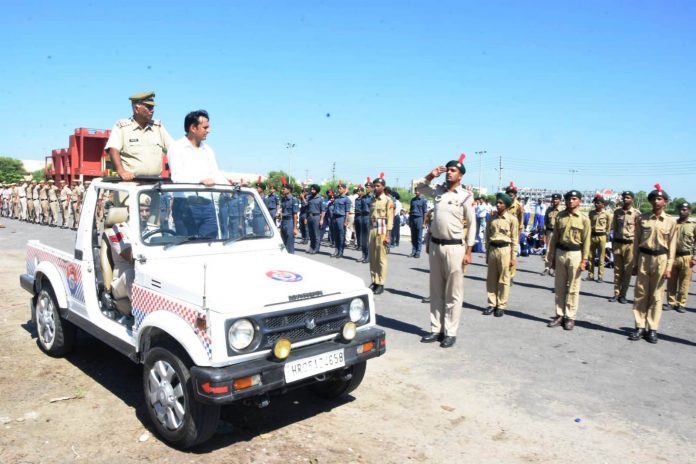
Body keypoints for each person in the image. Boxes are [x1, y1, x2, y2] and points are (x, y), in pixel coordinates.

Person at [417, 155, 476, 348]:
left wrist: (468, 251)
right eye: (447, 170)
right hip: (435, 245)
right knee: (436, 290)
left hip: (455, 247)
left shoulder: (465, 196)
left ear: (460, 176)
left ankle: (450, 332)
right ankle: (436, 329)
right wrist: (431, 175)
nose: (449, 173)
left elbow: (472, 225)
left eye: (453, 171)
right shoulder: (438, 191)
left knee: (453, 292)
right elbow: (419, 188)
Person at [628, 184, 678, 344]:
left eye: (659, 199)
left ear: (665, 202)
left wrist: (669, 267)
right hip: (644, 257)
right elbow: (636, 243)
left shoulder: (670, 221)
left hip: (661, 259)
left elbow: (672, 247)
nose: (656, 201)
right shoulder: (642, 218)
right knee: (640, 293)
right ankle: (639, 326)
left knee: (657, 296)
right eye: (654, 199)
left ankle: (653, 328)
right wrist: (635, 263)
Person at [168, 110, 226, 237]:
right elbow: (177, 177)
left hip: (207, 205)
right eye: (205, 127)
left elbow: (215, 174)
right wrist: (201, 180)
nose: (208, 130)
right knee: (188, 247)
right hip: (185, 205)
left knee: (211, 244)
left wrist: (232, 187)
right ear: (193, 128)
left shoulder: (208, 150)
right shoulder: (176, 148)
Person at [546, 190, 591, 331]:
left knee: (573, 287)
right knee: (559, 286)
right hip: (560, 252)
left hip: (575, 254)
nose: (570, 201)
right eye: (568, 199)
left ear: (579, 201)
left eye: (574, 199)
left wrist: (584, 260)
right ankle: (559, 315)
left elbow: (587, 241)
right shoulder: (560, 216)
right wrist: (551, 257)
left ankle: (570, 317)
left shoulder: (584, 219)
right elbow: (554, 239)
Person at [106, 91, 173, 181]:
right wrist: (121, 172)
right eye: (149, 107)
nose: (152, 110)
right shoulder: (122, 127)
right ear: (136, 109)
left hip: (154, 185)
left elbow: (174, 150)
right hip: (130, 185)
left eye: (153, 107)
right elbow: (113, 150)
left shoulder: (158, 127)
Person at [484, 192, 518, 317]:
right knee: (491, 279)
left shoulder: (512, 219)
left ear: (506, 205)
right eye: (497, 202)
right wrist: (487, 253)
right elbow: (487, 237)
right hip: (493, 249)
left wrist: (513, 257)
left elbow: (515, 240)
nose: (497, 205)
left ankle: (501, 305)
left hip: (505, 250)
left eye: (501, 203)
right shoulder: (491, 218)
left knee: (504, 279)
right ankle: (492, 304)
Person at [608, 191, 640, 303]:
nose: (625, 199)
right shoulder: (617, 212)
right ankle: (616, 293)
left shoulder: (636, 213)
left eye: (628, 197)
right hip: (618, 243)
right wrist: (613, 244)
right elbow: (614, 228)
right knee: (617, 270)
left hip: (630, 245)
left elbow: (638, 231)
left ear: (632, 199)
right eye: (624, 197)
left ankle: (623, 294)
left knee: (627, 271)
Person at [666, 202, 695, 313]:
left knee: (685, 282)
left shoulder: (693, 225)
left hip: (687, 256)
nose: (682, 211)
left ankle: (681, 303)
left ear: (689, 211)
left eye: (685, 209)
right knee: (671, 281)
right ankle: (671, 302)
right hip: (673, 256)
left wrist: (694, 258)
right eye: (681, 209)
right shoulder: (674, 224)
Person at [368, 174, 394, 294]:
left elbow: (390, 218)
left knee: (381, 257)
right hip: (373, 228)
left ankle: (381, 283)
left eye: (378, 186)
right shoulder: (373, 199)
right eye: (374, 186)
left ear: (383, 187)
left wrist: (388, 235)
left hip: (382, 228)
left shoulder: (388, 200)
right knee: (373, 257)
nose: (375, 188)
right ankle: (374, 280)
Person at [586, 195, 612, 282]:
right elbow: (588, 224)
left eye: (598, 203)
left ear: (603, 204)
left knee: (601, 257)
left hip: (602, 236)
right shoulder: (591, 213)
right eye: (595, 203)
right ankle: (590, 275)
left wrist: (607, 234)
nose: (596, 204)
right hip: (592, 236)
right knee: (590, 256)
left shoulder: (607, 214)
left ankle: (600, 276)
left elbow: (609, 226)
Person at [505, 182, 524, 279]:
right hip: (504, 233)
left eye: (512, 193)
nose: (510, 195)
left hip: (514, 234)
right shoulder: (504, 204)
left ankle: (511, 275)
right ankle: (504, 273)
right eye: (508, 193)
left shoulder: (518, 206)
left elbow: (521, 224)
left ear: (515, 195)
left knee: (512, 255)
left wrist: (518, 238)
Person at [542, 193, 563, 275]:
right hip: (550, 231)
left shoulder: (562, 210)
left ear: (560, 200)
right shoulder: (549, 209)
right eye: (553, 199)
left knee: (557, 251)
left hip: (558, 232)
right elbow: (545, 221)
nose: (554, 200)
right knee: (548, 250)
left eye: (556, 199)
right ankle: (547, 267)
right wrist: (544, 233)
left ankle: (555, 268)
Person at [331, 182, 352, 258]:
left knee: (341, 236)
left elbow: (347, 212)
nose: (339, 189)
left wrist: (346, 221)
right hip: (335, 218)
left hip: (341, 218)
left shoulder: (347, 199)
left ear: (344, 189)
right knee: (336, 235)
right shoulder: (337, 198)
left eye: (340, 188)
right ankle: (336, 250)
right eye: (338, 188)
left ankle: (340, 251)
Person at [279, 179, 300, 253]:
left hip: (290, 222)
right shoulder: (283, 199)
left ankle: (291, 257)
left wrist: (295, 227)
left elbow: (295, 215)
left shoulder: (293, 199)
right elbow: (282, 210)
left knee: (289, 243)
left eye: (284, 189)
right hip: (283, 221)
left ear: (289, 190)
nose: (282, 190)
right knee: (282, 241)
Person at [306, 184, 325, 254]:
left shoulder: (320, 199)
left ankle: (316, 248)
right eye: (311, 189)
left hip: (316, 217)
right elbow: (307, 208)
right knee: (311, 234)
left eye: (313, 189)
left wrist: (322, 219)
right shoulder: (309, 198)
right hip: (310, 217)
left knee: (316, 234)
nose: (312, 190)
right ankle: (311, 247)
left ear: (317, 190)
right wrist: (306, 218)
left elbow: (323, 210)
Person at [354, 184, 371, 262]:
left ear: (372, 188)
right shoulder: (364, 197)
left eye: (368, 187)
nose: (366, 188)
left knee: (368, 238)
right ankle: (363, 255)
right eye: (366, 187)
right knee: (363, 238)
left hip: (369, 217)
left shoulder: (373, 197)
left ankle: (368, 256)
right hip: (362, 217)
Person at [409, 187, 428, 258]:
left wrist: (424, 223)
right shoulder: (412, 200)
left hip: (419, 219)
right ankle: (413, 251)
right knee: (413, 236)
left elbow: (425, 213)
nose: (416, 192)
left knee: (419, 237)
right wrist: (410, 220)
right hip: (413, 218)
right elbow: (410, 211)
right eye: (415, 191)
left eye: (417, 191)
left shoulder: (423, 201)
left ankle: (418, 252)